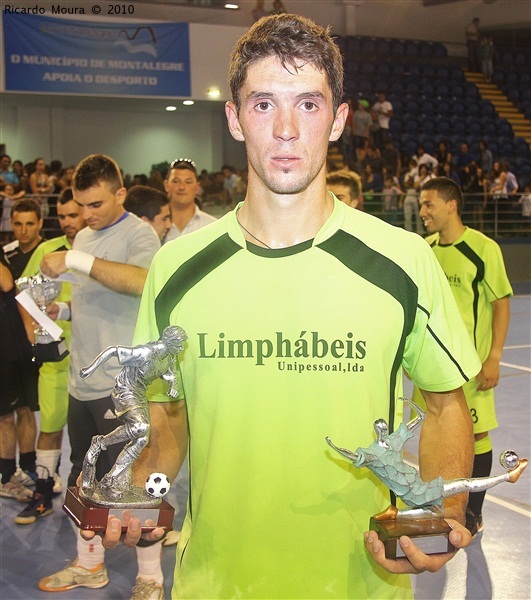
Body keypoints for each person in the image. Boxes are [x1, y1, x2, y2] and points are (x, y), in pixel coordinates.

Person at [95, 14, 481, 600]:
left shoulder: (404, 262)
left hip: (360, 582)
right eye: (262, 104)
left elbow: (446, 405)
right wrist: (145, 492)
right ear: (233, 119)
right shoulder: (176, 270)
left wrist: (444, 517)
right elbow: (168, 418)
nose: (284, 130)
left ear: (338, 121)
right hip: (216, 582)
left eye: (307, 104)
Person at [38, 154, 163, 599]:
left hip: (122, 386)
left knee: (130, 483)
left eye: (95, 205)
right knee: (84, 477)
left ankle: (150, 577)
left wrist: (75, 259)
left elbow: (143, 281)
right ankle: (90, 566)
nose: (86, 215)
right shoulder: (88, 236)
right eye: (80, 205)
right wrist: (62, 310)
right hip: (82, 380)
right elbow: (97, 300)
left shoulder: (138, 232)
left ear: (120, 194)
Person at [418, 177, 513, 537]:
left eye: (429, 204)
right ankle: (434, 506)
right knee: (433, 434)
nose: (423, 212)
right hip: (431, 367)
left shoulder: (483, 248)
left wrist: (494, 356)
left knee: (477, 436)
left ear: (451, 205)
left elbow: (501, 304)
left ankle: (472, 513)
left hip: (470, 369)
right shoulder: (424, 249)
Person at [13, 188, 87, 525]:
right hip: (57, 358)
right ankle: (43, 492)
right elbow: (23, 292)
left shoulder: (99, 248)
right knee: (51, 428)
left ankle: (97, 501)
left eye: (75, 215)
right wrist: (33, 330)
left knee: (101, 434)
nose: (70, 222)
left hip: (97, 359)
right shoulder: (46, 250)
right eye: (65, 216)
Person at [0, 199, 45, 501]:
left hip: (28, 345)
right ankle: (6, 476)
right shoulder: (7, 254)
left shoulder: (49, 252)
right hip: (6, 348)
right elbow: (8, 287)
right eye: (18, 223)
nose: (24, 230)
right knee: (5, 415)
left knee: (26, 409)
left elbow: (9, 289)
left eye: (30, 223)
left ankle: (28, 469)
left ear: (40, 222)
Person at [163, 158, 216, 243]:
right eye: (176, 181)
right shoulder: (154, 226)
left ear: (197, 188)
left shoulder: (212, 226)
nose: (182, 187)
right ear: (166, 185)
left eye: (188, 182)